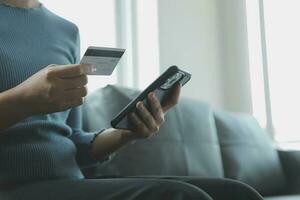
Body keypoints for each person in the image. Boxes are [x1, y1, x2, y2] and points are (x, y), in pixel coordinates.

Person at [0, 0, 264, 199]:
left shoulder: (65, 31)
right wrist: (23, 99)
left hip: (68, 181)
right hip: (12, 187)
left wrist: (127, 133)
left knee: (235, 193)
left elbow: (73, 144)